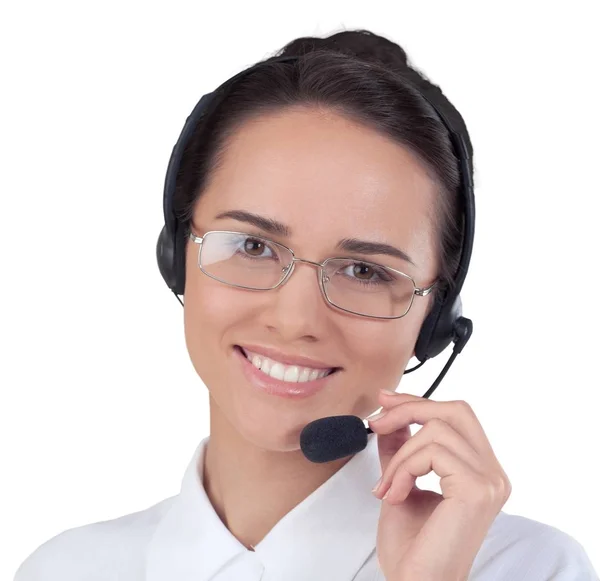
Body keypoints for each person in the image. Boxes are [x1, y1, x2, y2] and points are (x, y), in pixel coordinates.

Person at [14, 29, 598, 581]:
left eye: (365, 271)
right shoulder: (67, 568)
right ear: (176, 255)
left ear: (435, 319)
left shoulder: (532, 569)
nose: (294, 320)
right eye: (252, 245)